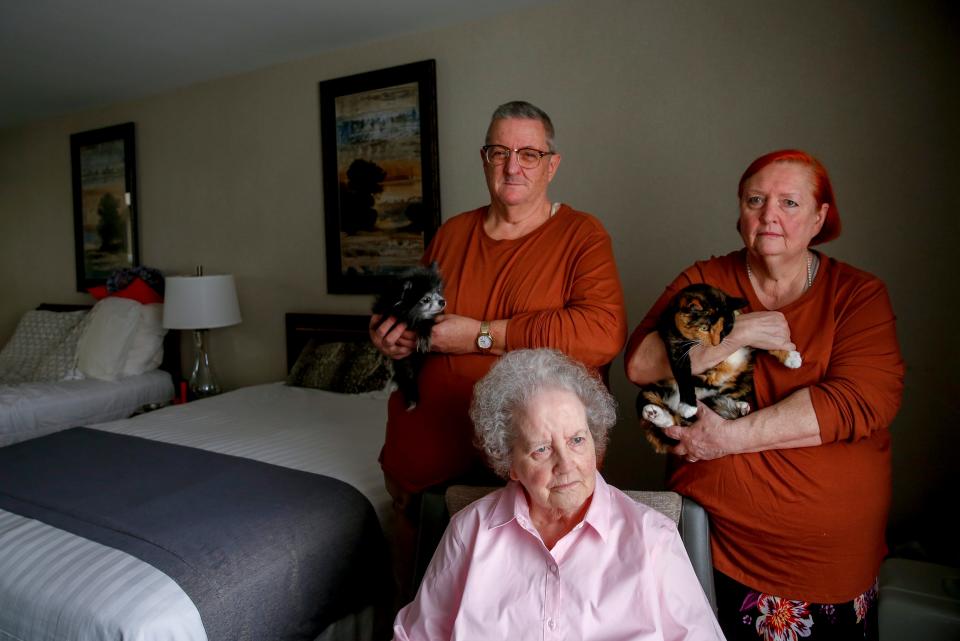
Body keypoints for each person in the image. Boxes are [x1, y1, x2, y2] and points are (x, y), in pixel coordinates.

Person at [625, 149, 904, 640]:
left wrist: (725, 439)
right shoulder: (707, 279)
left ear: (819, 218)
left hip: (825, 564)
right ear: (740, 214)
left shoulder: (857, 295)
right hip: (716, 549)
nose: (769, 214)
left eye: (789, 203)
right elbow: (641, 363)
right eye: (756, 200)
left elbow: (861, 401)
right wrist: (735, 331)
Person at [370, 101, 627, 595]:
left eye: (529, 154)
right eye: (500, 151)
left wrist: (481, 335)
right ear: (484, 159)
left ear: (552, 164)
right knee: (428, 595)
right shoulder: (451, 233)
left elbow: (601, 333)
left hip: (533, 460)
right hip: (429, 452)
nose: (513, 166)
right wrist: (397, 339)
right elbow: (420, 317)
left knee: (523, 599)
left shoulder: (581, 235)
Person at [393, 349, 724, 640]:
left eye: (577, 440)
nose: (566, 465)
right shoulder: (470, 532)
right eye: (541, 449)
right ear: (509, 463)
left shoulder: (653, 538)